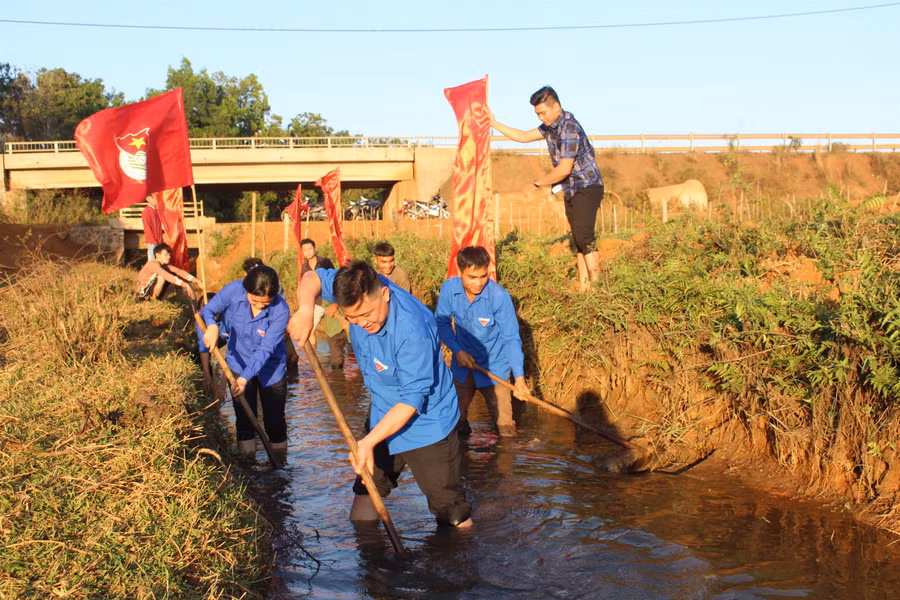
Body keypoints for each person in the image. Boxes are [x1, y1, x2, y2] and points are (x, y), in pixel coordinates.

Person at [288, 261, 472, 527]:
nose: (363, 323)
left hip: (427, 423)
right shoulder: (354, 285)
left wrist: (367, 442)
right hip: (383, 415)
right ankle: (369, 563)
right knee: (366, 492)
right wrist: (306, 310)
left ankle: (463, 563)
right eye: (352, 318)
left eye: (367, 314)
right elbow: (311, 277)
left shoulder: (412, 329)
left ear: (384, 293)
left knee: (452, 514)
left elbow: (411, 400)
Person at [491, 86, 604, 292]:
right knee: (579, 238)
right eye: (537, 114)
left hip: (587, 186)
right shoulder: (551, 127)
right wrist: (494, 123)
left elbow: (564, 169)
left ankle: (598, 288)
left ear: (557, 107)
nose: (540, 117)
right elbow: (524, 136)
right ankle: (584, 287)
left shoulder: (568, 127)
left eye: (543, 112)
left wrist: (536, 184)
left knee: (584, 236)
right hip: (572, 188)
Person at [435, 246, 528, 438]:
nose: (479, 283)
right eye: (472, 277)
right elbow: (442, 323)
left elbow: (511, 338)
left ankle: (504, 466)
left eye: (483, 276)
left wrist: (519, 379)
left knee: (505, 427)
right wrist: (457, 350)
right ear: (460, 272)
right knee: (454, 419)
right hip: (462, 365)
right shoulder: (449, 290)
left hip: (495, 368)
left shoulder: (499, 297)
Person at [201, 265, 290, 454]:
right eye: (255, 301)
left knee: (274, 422)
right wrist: (212, 326)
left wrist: (244, 378)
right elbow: (208, 310)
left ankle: (280, 469)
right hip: (238, 363)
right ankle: (248, 467)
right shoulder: (234, 290)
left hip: (271, 369)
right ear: (246, 290)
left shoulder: (281, 309)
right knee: (244, 420)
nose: (259, 306)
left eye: (265, 304)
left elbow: (266, 349)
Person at [299, 238, 346, 368]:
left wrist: (336, 303)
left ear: (314, 248)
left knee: (336, 331)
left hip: (328, 300)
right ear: (302, 252)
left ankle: (339, 358)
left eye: (310, 248)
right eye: (305, 250)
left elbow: (334, 280)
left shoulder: (325, 262)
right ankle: (314, 361)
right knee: (310, 330)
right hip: (315, 302)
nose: (308, 252)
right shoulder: (304, 267)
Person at [141, 194, 163, 263]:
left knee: (159, 260)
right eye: (154, 198)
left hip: (159, 239)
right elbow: (147, 227)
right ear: (148, 199)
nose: (156, 200)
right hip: (152, 240)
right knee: (152, 259)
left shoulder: (157, 211)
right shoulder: (146, 211)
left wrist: (160, 239)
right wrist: (152, 240)